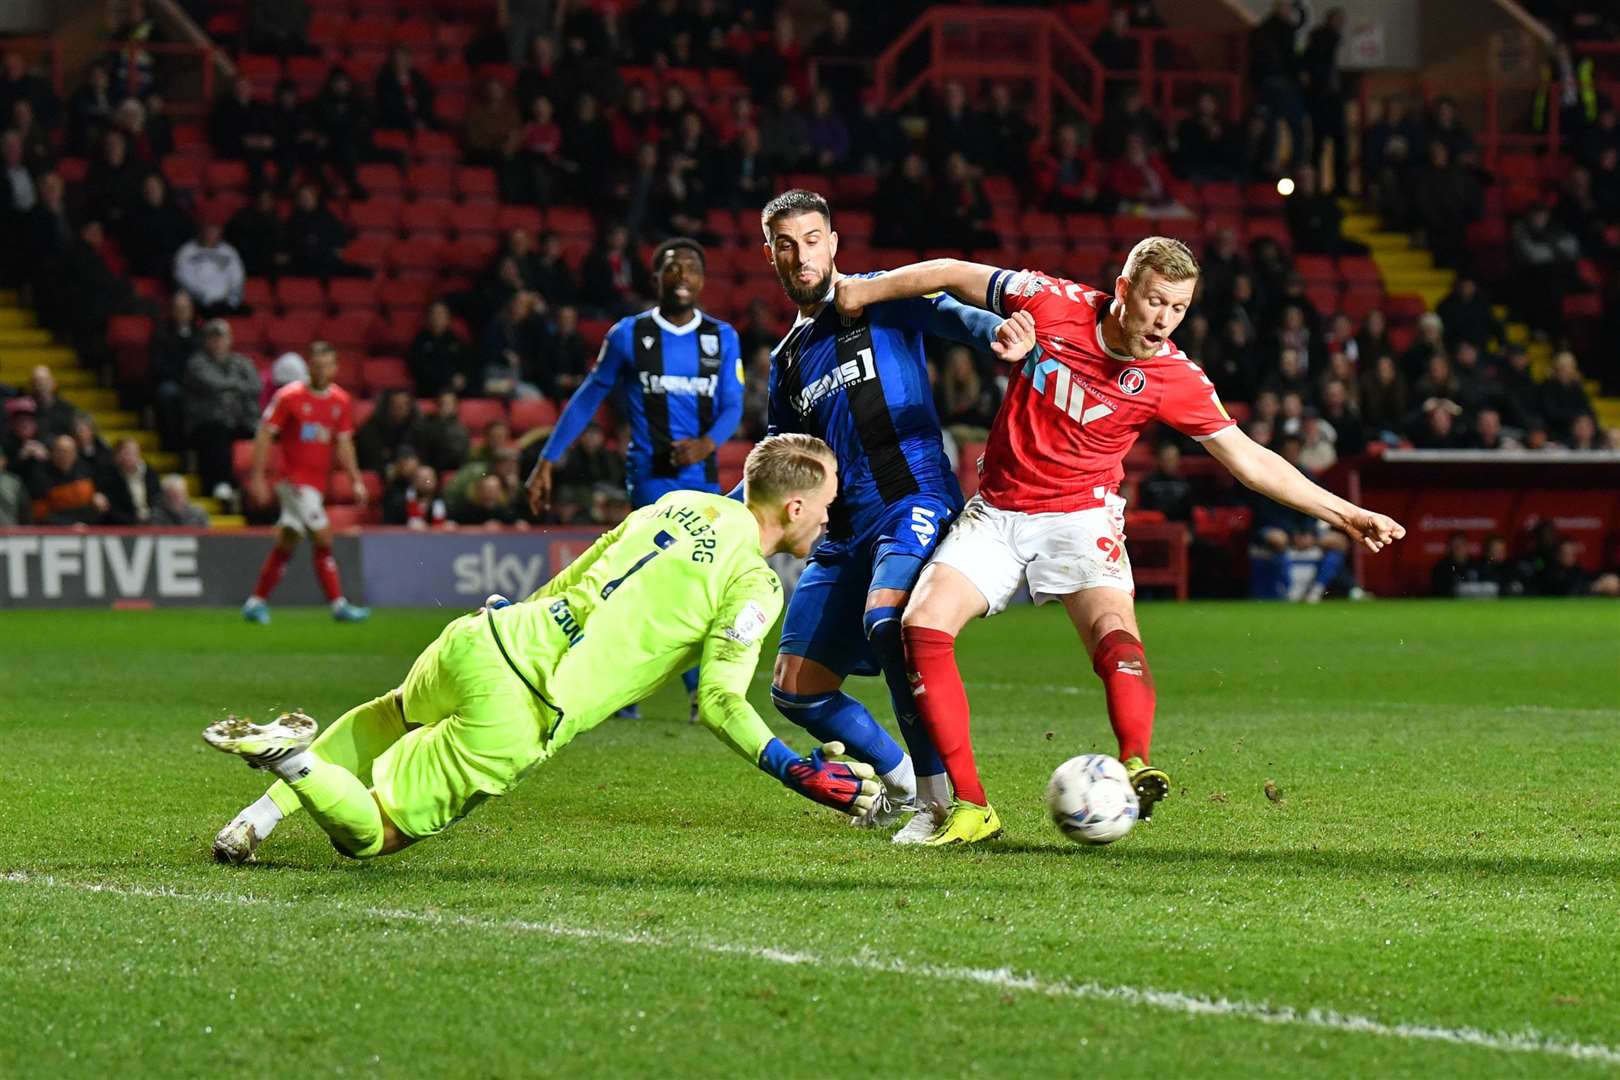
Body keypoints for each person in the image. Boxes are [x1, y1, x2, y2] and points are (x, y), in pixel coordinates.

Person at [834, 238, 1405, 845]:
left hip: (1082, 516)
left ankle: (1135, 765)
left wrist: (1344, 513)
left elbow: (1249, 460)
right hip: (999, 512)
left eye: (1179, 308)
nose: (1164, 320)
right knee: (922, 625)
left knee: (1116, 635)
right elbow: (950, 272)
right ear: (1125, 290)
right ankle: (972, 808)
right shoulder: (1051, 302)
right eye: (1156, 301)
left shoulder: (1173, 376)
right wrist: (860, 291)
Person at [205, 434, 880, 865]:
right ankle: (292, 759)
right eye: (824, 503)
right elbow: (719, 699)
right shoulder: (754, 583)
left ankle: (253, 824)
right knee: (375, 835)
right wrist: (794, 770)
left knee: (387, 718)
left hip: (489, 634)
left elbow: (582, 569)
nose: (828, 517)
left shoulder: (676, 503)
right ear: (793, 507)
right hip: (525, 704)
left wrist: (514, 614)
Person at [718, 190, 1035, 843]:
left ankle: (943, 801)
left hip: (910, 496)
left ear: (833, 243)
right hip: (841, 528)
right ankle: (896, 786)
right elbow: (784, 464)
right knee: (795, 690)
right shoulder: (786, 361)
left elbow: (954, 316)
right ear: (770, 254)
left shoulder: (881, 296)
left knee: (889, 620)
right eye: (786, 243)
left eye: (812, 239)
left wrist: (1000, 332)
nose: (801, 254)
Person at [527, 238, 744, 715]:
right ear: (656, 279)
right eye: (671, 267)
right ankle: (639, 689)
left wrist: (708, 443)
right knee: (659, 578)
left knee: (686, 585)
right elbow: (588, 396)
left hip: (703, 480)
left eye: (691, 268)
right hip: (650, 479)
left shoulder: (722, 337)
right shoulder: (629, 335)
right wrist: (549, 457)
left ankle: (665, 690)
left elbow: (732, 404)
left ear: (703, 280)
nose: (682, 275)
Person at [242, 342, 370, 625]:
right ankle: (338, 605)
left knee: (287, 542)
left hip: (316, 484)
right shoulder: (288, 397)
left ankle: (255, 602)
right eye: (316, 363)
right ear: (308, 366)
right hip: (293, 481)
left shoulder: (340, 400)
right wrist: (258, 477)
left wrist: (356, 480)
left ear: (335, 368)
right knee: (323, 535)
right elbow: (265, 435)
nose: (321, 369)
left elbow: (344, 443)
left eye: (327, 364)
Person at [184, 320, 261, 499]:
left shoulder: (242, 362)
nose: (218, 343)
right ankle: (220, 483)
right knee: (218, 432)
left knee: (263, 432)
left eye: (222, 338)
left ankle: (254, 485)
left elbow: (255, 386)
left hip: (240, 419)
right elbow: (212, 384)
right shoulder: (197, 363)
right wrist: (237, 387)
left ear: (230, 340)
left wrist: (229, 388)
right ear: (206, 341)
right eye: (213, 339)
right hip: (206, 422)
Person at [173, 221, 246, 315]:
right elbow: (183, 279)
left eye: (215, 230)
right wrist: (203, 298)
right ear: (201, 230)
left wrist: (231, 300)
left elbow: (238, 278)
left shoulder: (229, 251)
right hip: (197, 304)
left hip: (225, 303)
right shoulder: (186, 251)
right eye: (208, 229)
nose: (211, 233)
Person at [97, 436, 161, 525]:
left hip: (151, 522)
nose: (130, 456)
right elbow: (111, 509)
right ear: (117, 455)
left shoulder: (150, 474)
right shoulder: (109, 477)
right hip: (124, 525)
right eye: (126, 452)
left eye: (134, 452)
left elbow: (157, 499)